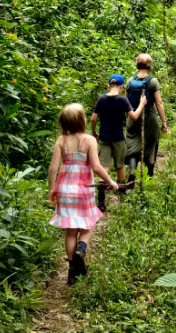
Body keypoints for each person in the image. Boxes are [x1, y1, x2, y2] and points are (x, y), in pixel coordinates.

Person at [49, 103, 124, 284]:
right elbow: (97, 167)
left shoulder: (61, 141)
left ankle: (72, 271)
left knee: (70, 231)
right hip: (84, 189)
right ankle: (81, 250)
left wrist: (52, 189)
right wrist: (111, 181)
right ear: (82, 120)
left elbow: (53, 168)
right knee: (88, 224)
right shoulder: (89, 140)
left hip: (65, 190)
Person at [91, 74, 146, 206]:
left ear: (108, 86)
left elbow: (93, 118)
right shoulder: (122, 100)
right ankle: (122, 198)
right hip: (118, 138)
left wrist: (94, 132)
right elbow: (133, 116)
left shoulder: (101, 99)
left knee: (104, 167)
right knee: (119, 166)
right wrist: (141, 104)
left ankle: (101, 202)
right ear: (122, 87)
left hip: (104, 137)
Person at [125, 53, 168, 179]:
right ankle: (149, 175)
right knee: (150, 145)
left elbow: (125, 102)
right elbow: (159, 103)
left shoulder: (130, 81)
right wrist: (164, 122)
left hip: (133, 116)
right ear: (149, 65)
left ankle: (132, 170)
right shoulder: (153, 81)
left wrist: (128, 118)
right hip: (149, 118)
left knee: (133, 145)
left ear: (137, 64)